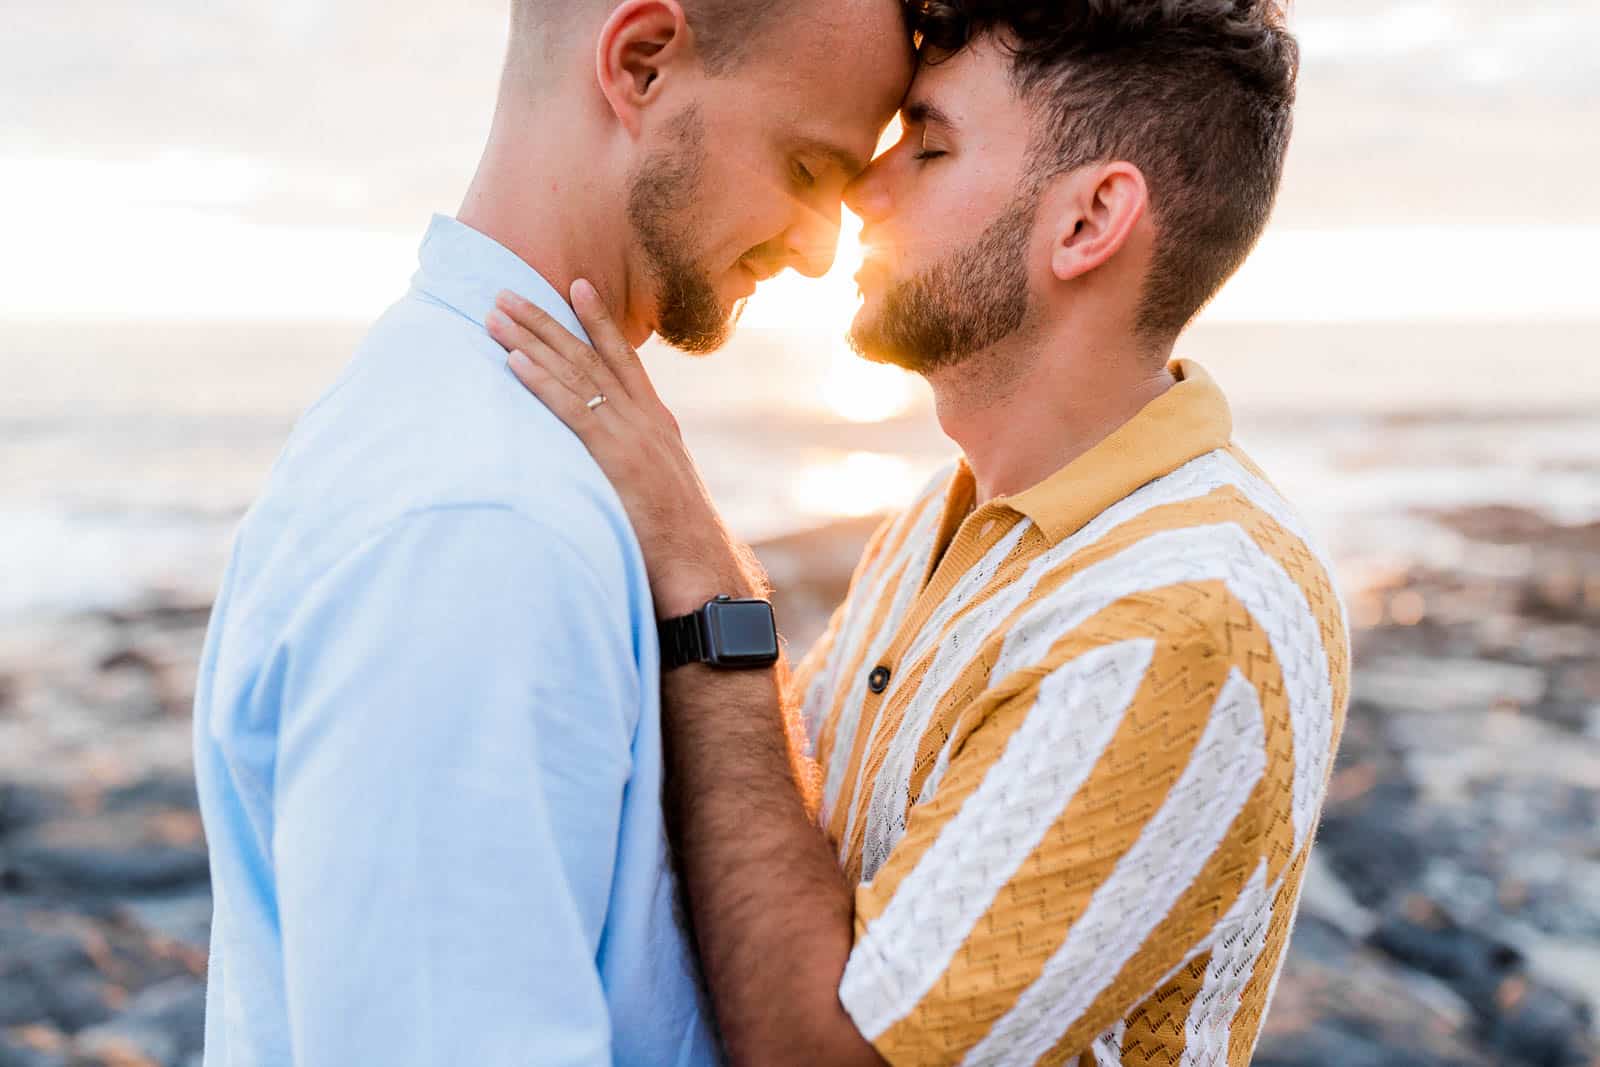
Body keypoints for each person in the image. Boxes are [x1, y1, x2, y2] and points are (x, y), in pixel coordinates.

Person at [487, 1, 1350, 1063]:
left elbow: (824, 1050)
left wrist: (710, 589)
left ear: (1087, 223)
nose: (865, 186)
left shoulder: (1177, 621)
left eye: (929, 147)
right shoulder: (948, 515)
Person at [189, 1, 911, 1063]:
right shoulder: (477, 530)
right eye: (808, 170)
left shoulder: (490, 453)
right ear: (642, 61)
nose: (816, 251)